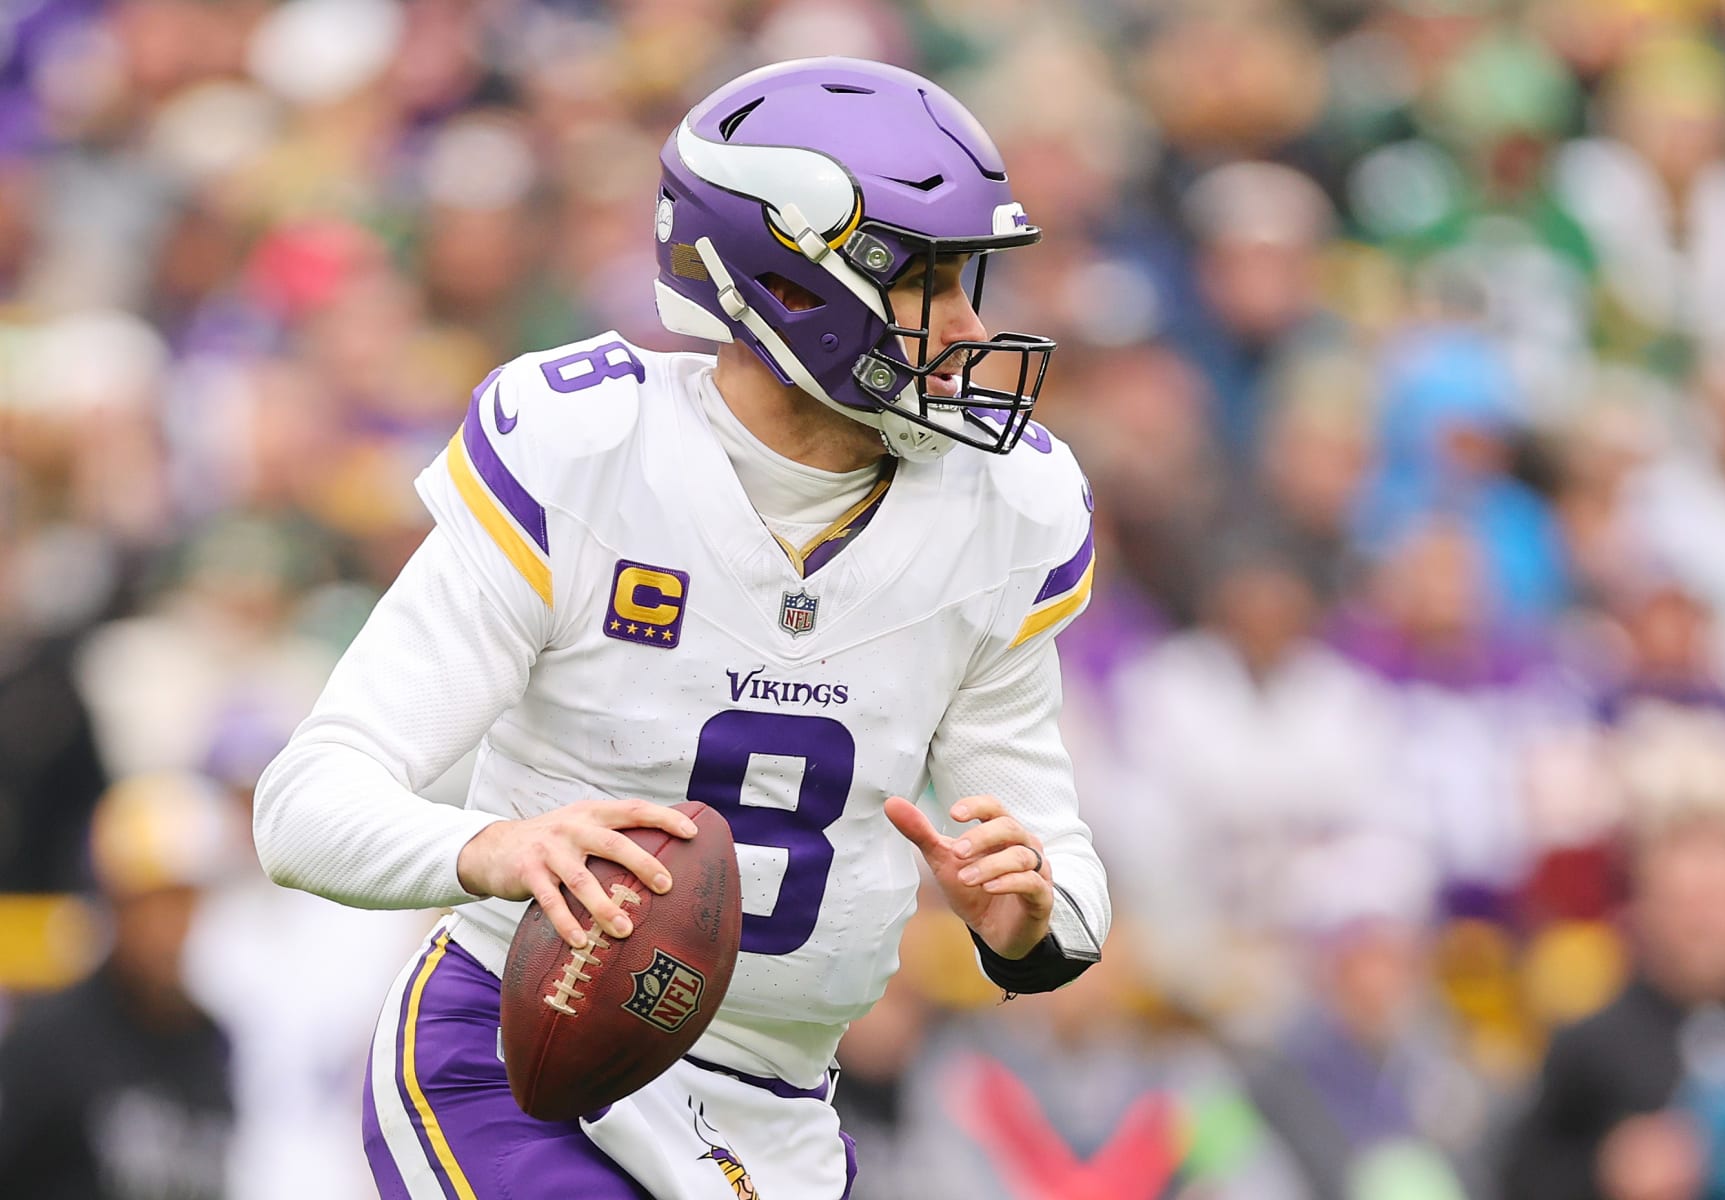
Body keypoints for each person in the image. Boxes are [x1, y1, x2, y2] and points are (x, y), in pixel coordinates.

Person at [254, 56, 1110, 1199]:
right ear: (792, 281)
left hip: (782, 1116)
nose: (965, 327)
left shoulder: (1006, 510)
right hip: (521, 1059)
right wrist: (491, 849)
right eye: (929, 282)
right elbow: (304, 809)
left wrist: (1024, 918)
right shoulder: (588, 450)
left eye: (971, 284)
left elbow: (1066, 879)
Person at [1502, 811, 1725, 1200]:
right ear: (1641, 911)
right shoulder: (1589, 1046)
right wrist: (1605, 1168)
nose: (1709, 926)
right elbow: (1517, 1175)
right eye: (1688, 904)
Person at [0, 772, 239, 1198]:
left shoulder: (211, 1041)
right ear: (112, 902)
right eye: (148, 904)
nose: (166, 928)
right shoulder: (50, 1040)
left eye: (180, 902)